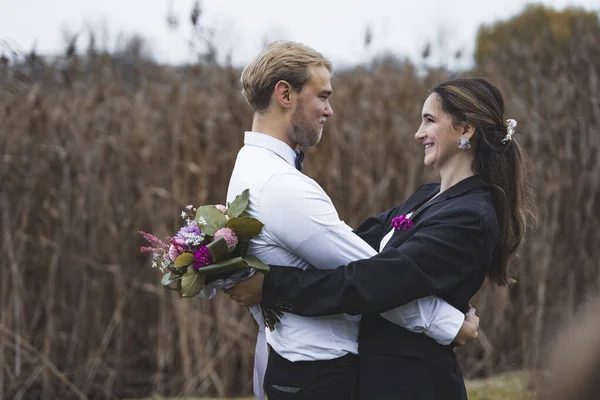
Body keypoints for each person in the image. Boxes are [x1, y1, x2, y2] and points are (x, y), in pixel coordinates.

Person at [226, 77, 535, 399]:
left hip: (414, 383)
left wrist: (273, 286)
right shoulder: (430, 196)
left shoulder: (469, 217)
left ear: (466, 129)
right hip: (382, 376)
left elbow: (372, 281)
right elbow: (355, 244)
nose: (419, 133)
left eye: (430, 120)